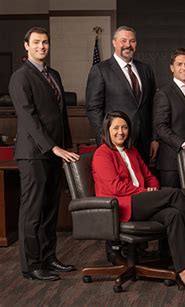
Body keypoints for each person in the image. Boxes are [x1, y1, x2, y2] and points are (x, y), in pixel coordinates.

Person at [92, 111, 185, 296]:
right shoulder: (101, 154)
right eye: (116, 128)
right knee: (174, 194)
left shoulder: (132, 151)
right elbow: (115, 187)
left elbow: (150, 177)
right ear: (107, 131)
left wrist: (151, 189)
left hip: (141, 201)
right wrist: (146, 192)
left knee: (173, 215)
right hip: (122, 205)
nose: (121, 132)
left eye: (125, 127)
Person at [9, 27, 80, 281]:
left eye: (45, 42)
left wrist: (65, 148)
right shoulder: (20, 77)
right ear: (26, 46)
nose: (42, 46)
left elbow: (61, 117)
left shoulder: (54, 75)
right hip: (33, 154)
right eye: (37, 42)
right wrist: (52, 147)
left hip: (55, 152)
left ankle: (49, 257)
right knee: (33, 210)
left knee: (50, 208)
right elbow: (29, 119)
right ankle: (32, 265)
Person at [86, 25, 158, 164]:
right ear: (114, 42)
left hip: (144, 142)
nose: (128, 45)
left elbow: (153, 107)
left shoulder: (146, 69)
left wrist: (154, 138)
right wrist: (106, 137)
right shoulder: (100, 70)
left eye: (132, 41)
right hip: (116, 141)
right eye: (123, 41)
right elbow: (93, 109)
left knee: (142, 182)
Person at [153, 48, 185, 188]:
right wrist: (184, 144)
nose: (184, 68)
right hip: (171, 162)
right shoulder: (164, 93)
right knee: (173, 204)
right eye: (179, 64)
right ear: (172, 67)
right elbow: (160, 127)